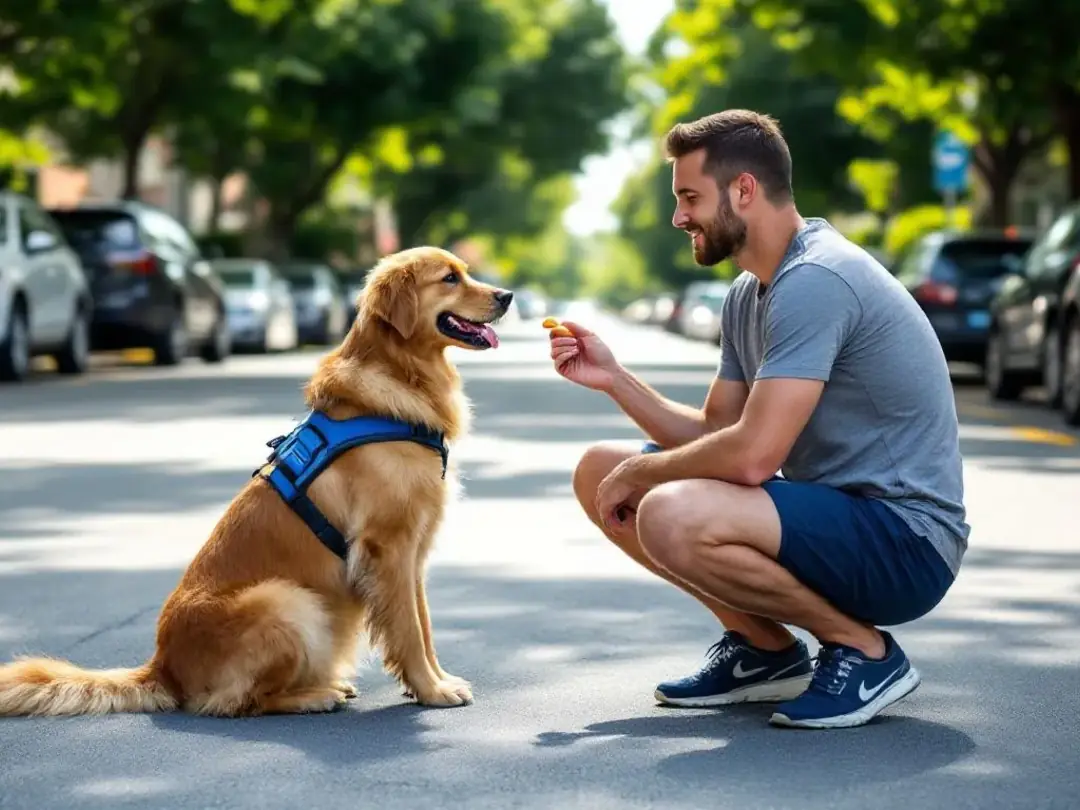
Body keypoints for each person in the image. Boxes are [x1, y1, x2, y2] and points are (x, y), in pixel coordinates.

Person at [550, 109, 969, 730]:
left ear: (743, 189)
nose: (678, 217)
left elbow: (751, 458)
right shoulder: (749, 293)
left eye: (690, 197)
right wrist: (615, 379)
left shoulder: (816, 278)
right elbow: (715, 434)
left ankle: (865, 652)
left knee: (667, 507)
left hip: (906, 541)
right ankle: (764, 652)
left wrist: (645, 473)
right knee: (599, 470)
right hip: (833, 517)